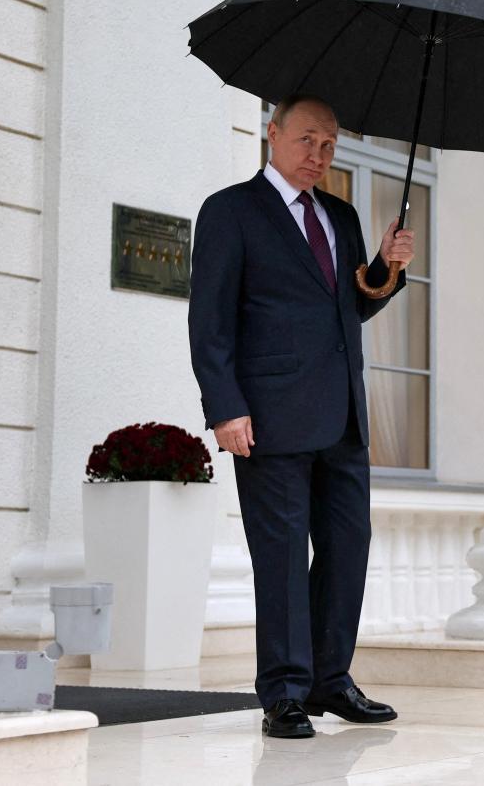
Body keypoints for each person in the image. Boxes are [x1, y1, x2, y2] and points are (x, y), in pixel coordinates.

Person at [188, 94, 414, 739]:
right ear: (273, 134)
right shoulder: (231, 211)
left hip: (343, 416)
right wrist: (225, 407)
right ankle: (285, 690)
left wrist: (388, 269)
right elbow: (210, 322)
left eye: (330, 144)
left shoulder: (340, 215)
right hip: (269, 417)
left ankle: (330, 679)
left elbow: (349, 309)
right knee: (282, 555)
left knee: (348, 546)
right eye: (308, 140)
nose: (319, 155)